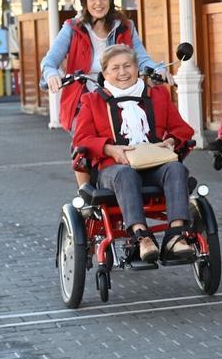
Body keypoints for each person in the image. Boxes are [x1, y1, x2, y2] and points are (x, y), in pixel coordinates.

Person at [71, 45, 195, 264]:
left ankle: (175, 236)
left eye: (128, 66)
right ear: (105, 73)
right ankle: (141, 237)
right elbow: (81, 140)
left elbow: (182, 128)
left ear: (137, 68)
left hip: (154, 163)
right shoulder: (92, 101)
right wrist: (110, 149)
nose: (123, 72)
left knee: (177, 168)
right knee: (126, 175)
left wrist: (172, 140)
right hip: (113, 169)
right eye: (115, 68)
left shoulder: (158, 95)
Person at [41, 0, 162, 185]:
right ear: (84, 1)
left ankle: (138, 180)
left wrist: (157, 69)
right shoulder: (72, 28)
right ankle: (85, 193)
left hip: (122, 94)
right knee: (83, 141)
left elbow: (143, 59)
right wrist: (52, 75)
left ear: (111, 0)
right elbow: (49, 62)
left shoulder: (126, 27)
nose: (98, 3)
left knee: (143, 130)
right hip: (84, 97)